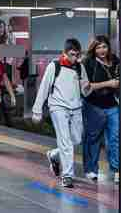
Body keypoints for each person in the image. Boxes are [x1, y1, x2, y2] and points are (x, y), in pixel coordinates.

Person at [31, 38, 92, 188]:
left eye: (77, 54)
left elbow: (86, 88)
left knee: (76, 139)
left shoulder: (79, 67)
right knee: (65, 141)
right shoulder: (54, 66)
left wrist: (88, 88)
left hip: (76, 107)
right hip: (58, 107)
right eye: (72, 54)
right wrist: (37, 110)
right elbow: (44, 87)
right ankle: (67, 175)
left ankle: (54, 155)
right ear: (64, 53)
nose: (75, 58)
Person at [81, 35, 120, 184]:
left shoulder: (115, 60)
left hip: (112, 105)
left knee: (115, 139)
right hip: (94, 106)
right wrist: (108, 83)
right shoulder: (88, 63)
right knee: (93, 138)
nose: (102, 50)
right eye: (98, 47)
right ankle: (91, 169)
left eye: (104, 46)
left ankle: (116, 169)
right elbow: (87, 87)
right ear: (94, 49)